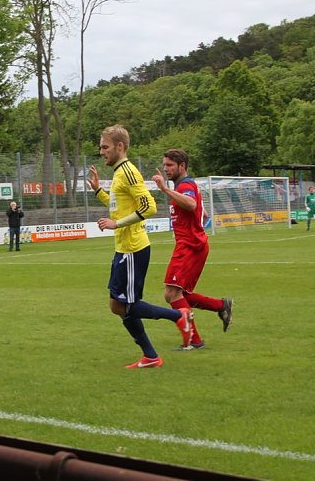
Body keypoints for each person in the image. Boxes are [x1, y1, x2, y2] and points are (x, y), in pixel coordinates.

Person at [87, 125, 193, 369]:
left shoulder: (128, 172)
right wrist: (99, 192)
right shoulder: (119, 172)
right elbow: (119, 207)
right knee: (117, 305)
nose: (101, 151)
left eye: (105, 147)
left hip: (133, 249)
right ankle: (151, 356)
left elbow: (149, 207)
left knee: (127, 305)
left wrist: (116, 224)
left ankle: (179, 316)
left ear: (120, 146)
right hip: (123, 248)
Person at [152, 149, 233, 351]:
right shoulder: (186, 186)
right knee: (176, 294)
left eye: (170, 165)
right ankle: (220, 306)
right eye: (165, 165)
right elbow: (202, 213)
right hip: (190, 245)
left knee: (172, 293)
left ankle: (193, 341)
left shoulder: (185, 185)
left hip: (190, 246)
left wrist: (164, 189)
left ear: (182, 166)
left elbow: (190, 204)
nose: (166, 169)